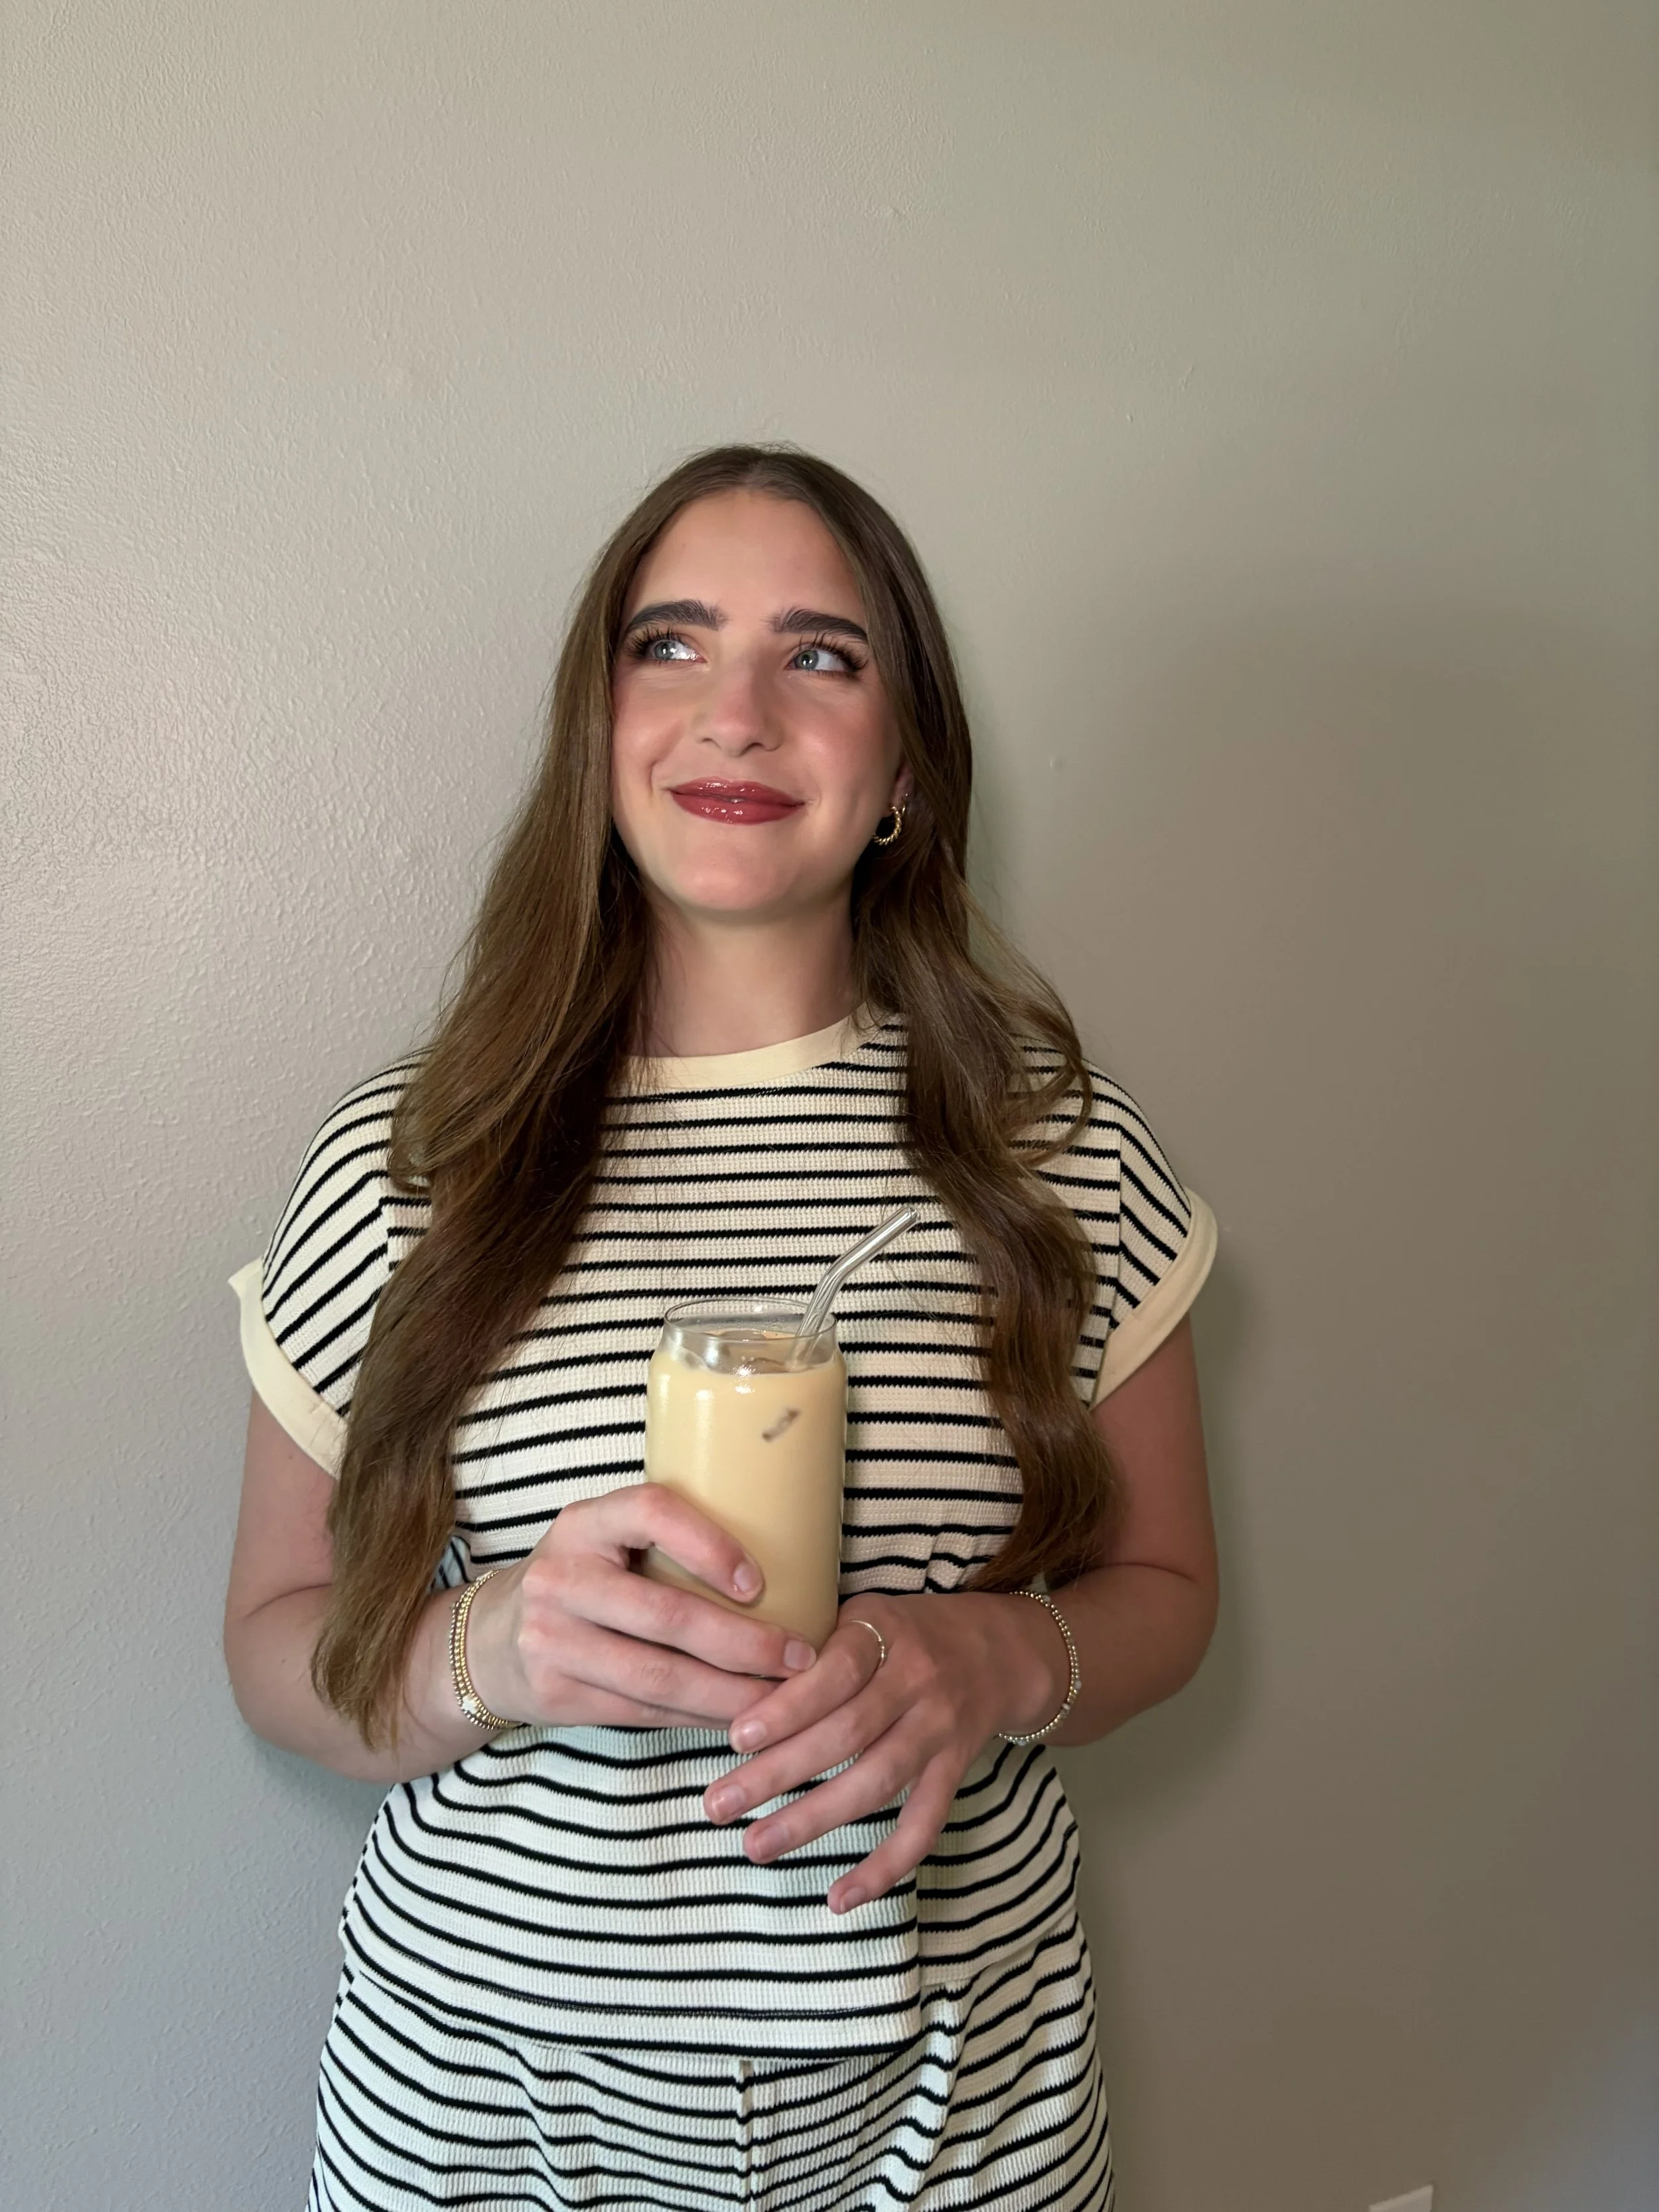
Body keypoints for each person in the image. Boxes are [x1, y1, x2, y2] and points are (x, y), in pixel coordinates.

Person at [224, 443, 1220, 2211]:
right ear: (591, 729)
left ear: (901, 757)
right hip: (489, 2095)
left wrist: (997, 1658)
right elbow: (272, 1649)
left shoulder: (1056, 1146)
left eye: (821, 657)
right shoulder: (411, 1156)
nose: (736, 712)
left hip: (954, 2083)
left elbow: (1166, 1592)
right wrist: (493, 1646)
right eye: (667, 644)